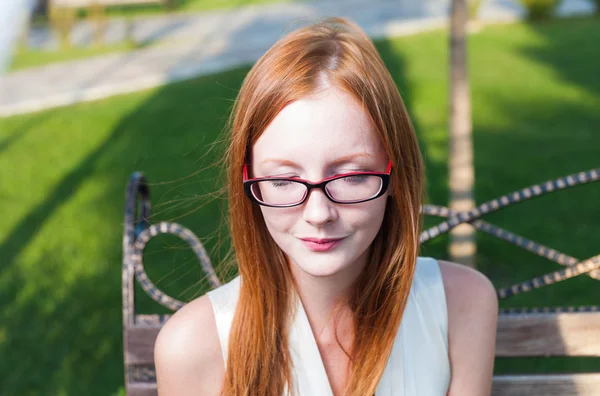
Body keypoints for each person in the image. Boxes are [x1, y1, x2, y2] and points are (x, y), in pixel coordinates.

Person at [154, 16, 498, 396]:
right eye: (283, 180)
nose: (318, 214)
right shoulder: (192, 348)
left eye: (350, 177)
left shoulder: (463, 306)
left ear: (395, 177)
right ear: (249, 182)